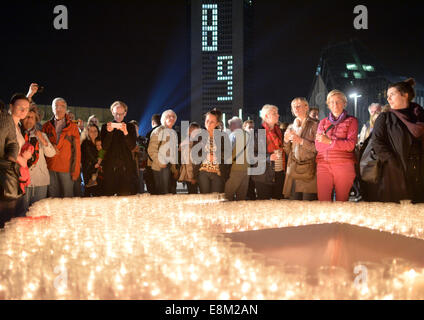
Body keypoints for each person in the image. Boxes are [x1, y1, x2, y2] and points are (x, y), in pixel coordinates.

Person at [372, 78, 424, 203]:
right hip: (395, 172)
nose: (388, 99)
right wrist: (391, 161)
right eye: (388, 96)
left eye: (392, 95)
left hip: (419, 171)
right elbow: (377, 141)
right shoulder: (385, 117)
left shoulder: (420, 116)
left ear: (405, 95)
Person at [315, 90, 358, 201]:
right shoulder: (323, 122)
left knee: (341, 201)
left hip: (344, 164)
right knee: (323, 200)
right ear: (328, 105)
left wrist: (329, 141)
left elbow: (350, 145)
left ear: (345, 103)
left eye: (338, 101)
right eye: (332, 102)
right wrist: (339, 143)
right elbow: (318, 146)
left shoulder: (352, 121)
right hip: (323, 165)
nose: (335, 105)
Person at [42, 97, 81, 198]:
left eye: (62, 106)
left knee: (67, 198)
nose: (59, 109)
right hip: (50, 167)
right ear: (52, 108)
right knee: (52, 198)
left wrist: (76, 171)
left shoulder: (72, 127)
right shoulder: (46, 126)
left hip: (66, 169)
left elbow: (76, 151)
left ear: (66, 109)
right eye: (56, 106)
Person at [21, 105, 56, 212]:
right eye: (27, 117)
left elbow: (51, 154)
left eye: (32, 117)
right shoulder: (17, 134)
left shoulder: (42, 135)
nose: (29, 120)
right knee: (22, 212)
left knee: (38, 212)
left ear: (36, 120)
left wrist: (42, 139)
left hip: (40, 180)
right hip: (22, 180)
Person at [283, 97, 318, 200]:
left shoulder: (315, 124)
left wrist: (301, 141)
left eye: (298, 106)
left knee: (308, 205)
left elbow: (319, 148)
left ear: (306, 107)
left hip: (309, 171)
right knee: (294, 205)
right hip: (294, 171)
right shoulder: (290, 127)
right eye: (293, 107)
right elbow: (288, 151)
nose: (295, 109)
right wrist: (285, 141)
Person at [101, 101, 138, 196]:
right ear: (112, 112)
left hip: (126, 169)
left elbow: (132, 146)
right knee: (109, 197)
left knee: (124, 197)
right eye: (116, 114)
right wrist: (109, 133)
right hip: (110, 168)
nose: (118, 116)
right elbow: (104, 147)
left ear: (125, 113)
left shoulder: (130, 127)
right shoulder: (105, 127)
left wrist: (126, 133)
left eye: (121, 114)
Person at [193, 109, 232, 194]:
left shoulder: (223, 136)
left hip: (218, 172)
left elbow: (228, 154)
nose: (208, 123)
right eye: (207, 121)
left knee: (216, 198)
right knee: (205, 198)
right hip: (203, 171)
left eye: (212, 122)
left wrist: (216, 156)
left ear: (217, 123)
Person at [252, 104, 285, 200]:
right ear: (266, 116)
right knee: (264, 205)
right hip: (263, 175)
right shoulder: (257, 133)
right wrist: (268, 157)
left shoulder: (280, 132)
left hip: (279, 173)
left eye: (277, 113)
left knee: (278, 204)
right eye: (274, 113)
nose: (278, 115)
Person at [147, 109, 179, 195]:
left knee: (169, 191)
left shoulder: (173, 133)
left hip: (168, 166)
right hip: (159, 166)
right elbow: (151, 149)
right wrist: (160, 162)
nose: (171, 118)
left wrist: (174, 169)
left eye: (173, 117)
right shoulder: (158, 131)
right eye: (168, 116)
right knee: (162, 191)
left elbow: (173, 153)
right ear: (163, 119)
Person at [9, 93, 30, 216]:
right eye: (20, 107)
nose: (23, 110)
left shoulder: (18, 126)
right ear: (11, 107)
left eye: (26, 108)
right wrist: (21, 159)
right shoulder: (6, 124)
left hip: (17, 175)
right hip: (8, 176)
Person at [0, 99, 19, 228]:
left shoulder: (5, 119)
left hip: (3, 170)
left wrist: (11, 156)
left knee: (5, 216)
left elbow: (13, 142)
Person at [225, 117, 251, 201]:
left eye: (230, 125)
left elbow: (228, 151)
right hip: (247, 169)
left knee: (228, 195)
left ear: (234, 125)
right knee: (241, 197)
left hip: (235, 169)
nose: (229, 127)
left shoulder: (233, 135)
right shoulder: (248, 135)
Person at [178, 122, 200, 194]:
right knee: (193, 193)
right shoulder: (187, 144)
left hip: (192, 173)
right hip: (191, 174)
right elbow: (188, 162)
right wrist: (192, 177)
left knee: (193, 193)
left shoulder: (191, 142)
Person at [81, 123, 102, 196]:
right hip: (88, 171)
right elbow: (91, 157)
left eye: (95, 131)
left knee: (98, 193)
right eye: (91, 131)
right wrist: (99, 161)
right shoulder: (85, 143)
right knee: (89, 192)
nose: (93, 133)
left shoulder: (99, 142)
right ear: (88, 132)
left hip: (98, 171)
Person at [144, 113, 161, 194]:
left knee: (153, 187)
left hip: (152, 163)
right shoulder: (167, 131)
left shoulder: (150, 133)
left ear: (153, 123)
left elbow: (148, 149)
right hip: (165, 163)